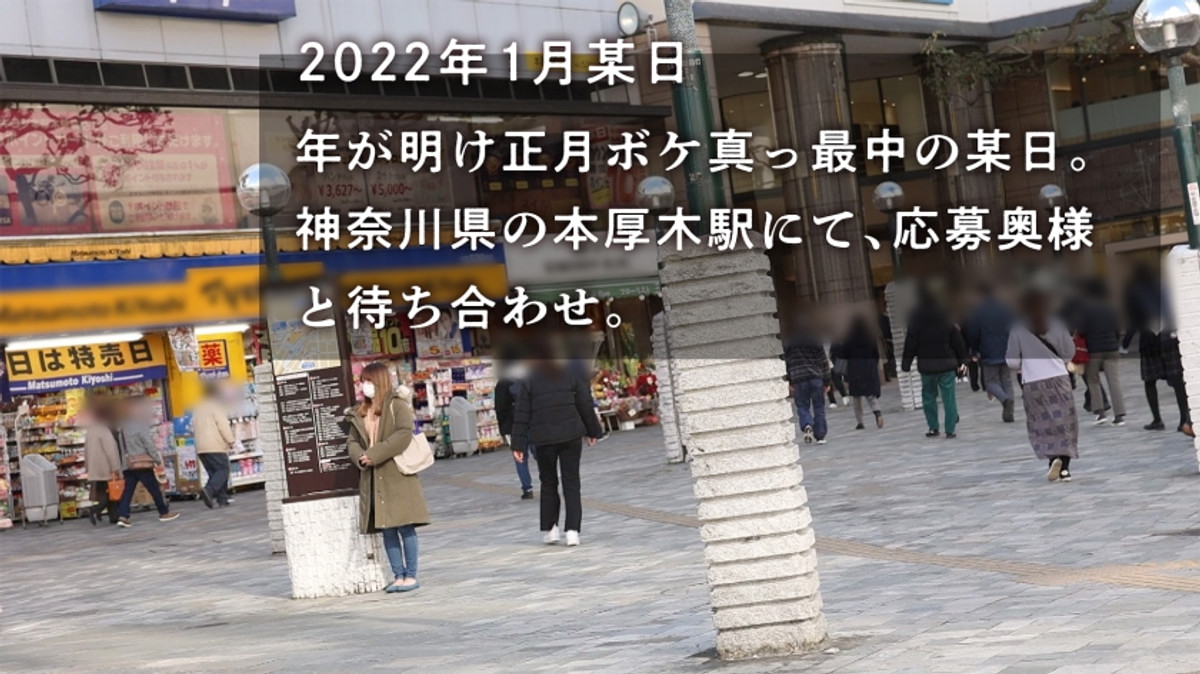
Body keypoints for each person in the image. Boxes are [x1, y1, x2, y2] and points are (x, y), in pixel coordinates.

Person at [347, 362, 430, 593]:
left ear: (379, 381)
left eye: (368, 381)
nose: (364, 385)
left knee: (405, 525)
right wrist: (360, 456)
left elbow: (404, 434)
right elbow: (352, 441)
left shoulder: (396, 405)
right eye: (363, 381)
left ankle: (411, 575)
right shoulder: (360, 411)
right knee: (387, 528)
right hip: (373, 477)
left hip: (397, 474)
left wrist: (374, 454)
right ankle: (398, 575)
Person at [511, 355, 603, 547]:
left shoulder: (530, 377)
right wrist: (593, 431)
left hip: (543, 438)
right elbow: (585, 403)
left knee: (548, 482)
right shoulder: (573, 372)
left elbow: (521, 412)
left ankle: (551, 529)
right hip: (571, 434)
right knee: (571, 482)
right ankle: (572, 531)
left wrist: (518, 444)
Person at [1006, 288, 1079, 482]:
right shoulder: (1057, 324)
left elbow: (1012, 361)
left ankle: (1053, 459)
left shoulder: (1018, 328)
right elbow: (1069, 351)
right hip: (1058, 379)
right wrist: (1060, 361)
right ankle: (1065, 468)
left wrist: (1023, 364)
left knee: (1042, 424)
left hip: (1033, 383)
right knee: (1065, 422)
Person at [902, 288, 968, 439]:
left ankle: (933, 427)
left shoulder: (916, 320)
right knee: (948, 398)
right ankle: (950, 429)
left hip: (927, 366)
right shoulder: (945, 317)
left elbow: (910, 343)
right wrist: (963, 360)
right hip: (946, 365)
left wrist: (906, 363)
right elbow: (957, 341)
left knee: (928, 397)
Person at [116, 397, 179, 528]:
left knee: (128, 490)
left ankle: (122, 515)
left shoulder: (121, 429)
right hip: (142, 463)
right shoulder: (140, 426)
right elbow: (149, 444)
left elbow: (122, 448)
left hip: (129, 464)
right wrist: (157, 459)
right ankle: (164, 512)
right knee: (154, 489)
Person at [1078, 279, 1126, 426]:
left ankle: (1100, 413)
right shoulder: (1110, 307)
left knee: (1093, 381)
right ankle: (1119, 416)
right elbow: (1117, 329)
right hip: (1111, 349)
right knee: (1114, 382)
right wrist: (1114, 343)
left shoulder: (1085, 309)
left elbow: (1082, 330)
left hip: (1094, 350)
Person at [966, 283, 1016, 422]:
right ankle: (1010, 412)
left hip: (988, 351)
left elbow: (973, 333)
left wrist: (974, 350)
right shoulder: (1006, 308)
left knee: (990, 382)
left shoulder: (978, 312)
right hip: (1006, 349)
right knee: (1007, 381)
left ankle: (1005, 400)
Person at [784, 318, 832, 445]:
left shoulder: (790, 342)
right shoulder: (815, 339)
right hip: (816, 377)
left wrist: (789, 380)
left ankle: (806, 424)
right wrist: (827, 381)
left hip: (798, 378)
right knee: (819, 406)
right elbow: (823, 361)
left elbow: (787, 363)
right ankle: (820, 435)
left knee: (802, 406)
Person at [193, 382, 236, 509]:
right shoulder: (216, 407)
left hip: (201, 447)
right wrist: (230, 440)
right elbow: (223, 425)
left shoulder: (197, 408)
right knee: (223, 470)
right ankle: (209, 490)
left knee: (214, 473)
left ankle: (222, 499)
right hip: (215, 445)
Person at [495, 362, 534, 500]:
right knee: (540, 454)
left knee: (520, 457)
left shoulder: (503, 383)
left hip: (515, 426)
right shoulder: (531, 377)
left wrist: (504, 429)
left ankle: (527, 488)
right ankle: (548, 481)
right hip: (533, 422)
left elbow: (500, 408)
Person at [83, 398, 121, 526]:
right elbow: (111, 450)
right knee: (110, 493)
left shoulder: (90, 430)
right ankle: (94, 510)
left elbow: (86, 450)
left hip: (95, 468)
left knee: (106, 491)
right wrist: (115, 467)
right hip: (105, 468)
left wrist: (87, 467)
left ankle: (112, 516)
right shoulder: (105, 430)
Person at [843, 315, 884, 430]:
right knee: (870, 394)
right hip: (868, 367)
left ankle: (860, 422)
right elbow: (875, 354)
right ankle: (877, 412)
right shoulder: (869, 336)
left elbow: (844, 353)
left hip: (854, 369)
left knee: (857, 397)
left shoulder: (849, 337)